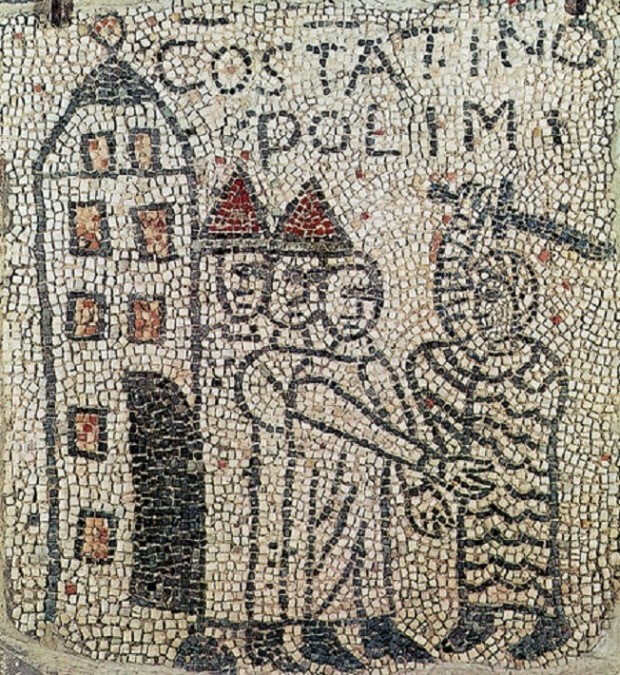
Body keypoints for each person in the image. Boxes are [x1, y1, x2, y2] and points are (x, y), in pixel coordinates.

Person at [237, 192, 494, 671]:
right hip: (312, 488)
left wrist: (419, 488)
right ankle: (315, 635)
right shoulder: (300, 361)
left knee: (373, 554)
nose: (358, 308)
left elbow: (402, 421)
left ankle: (376, 629)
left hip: (371, 487)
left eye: (368, 299)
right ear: (324, 298)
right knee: (322, 556)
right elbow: (349, 419)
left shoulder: (375, 364)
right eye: (349, 296)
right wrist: (431, 464)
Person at [405, 216, 570, 660]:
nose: (480, 308)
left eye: (492, 297)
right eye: (476, 297)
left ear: (520, 303)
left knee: (529, 542)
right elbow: (432, 373)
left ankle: (548, 619)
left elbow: (536, 420)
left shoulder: (539, 364)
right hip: (478, 480)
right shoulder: (468, 359)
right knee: (477, 541)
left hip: (523, 480)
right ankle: (478, 614)